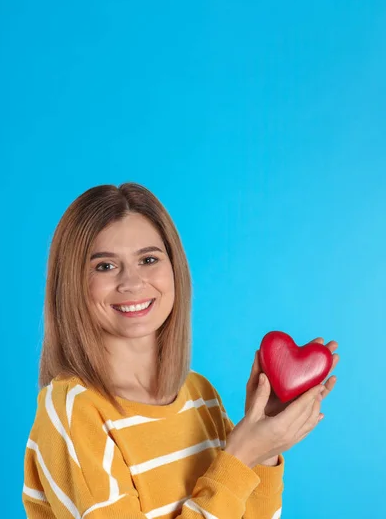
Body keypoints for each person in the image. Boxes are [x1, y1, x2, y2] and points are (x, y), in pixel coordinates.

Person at [22, 182, 339, 518]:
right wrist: (240, 457)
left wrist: (264, 445)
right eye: (105, 266)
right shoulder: (73, 410)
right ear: (71, 283)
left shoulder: (200, 395)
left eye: (148, 259)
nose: (132, 283)